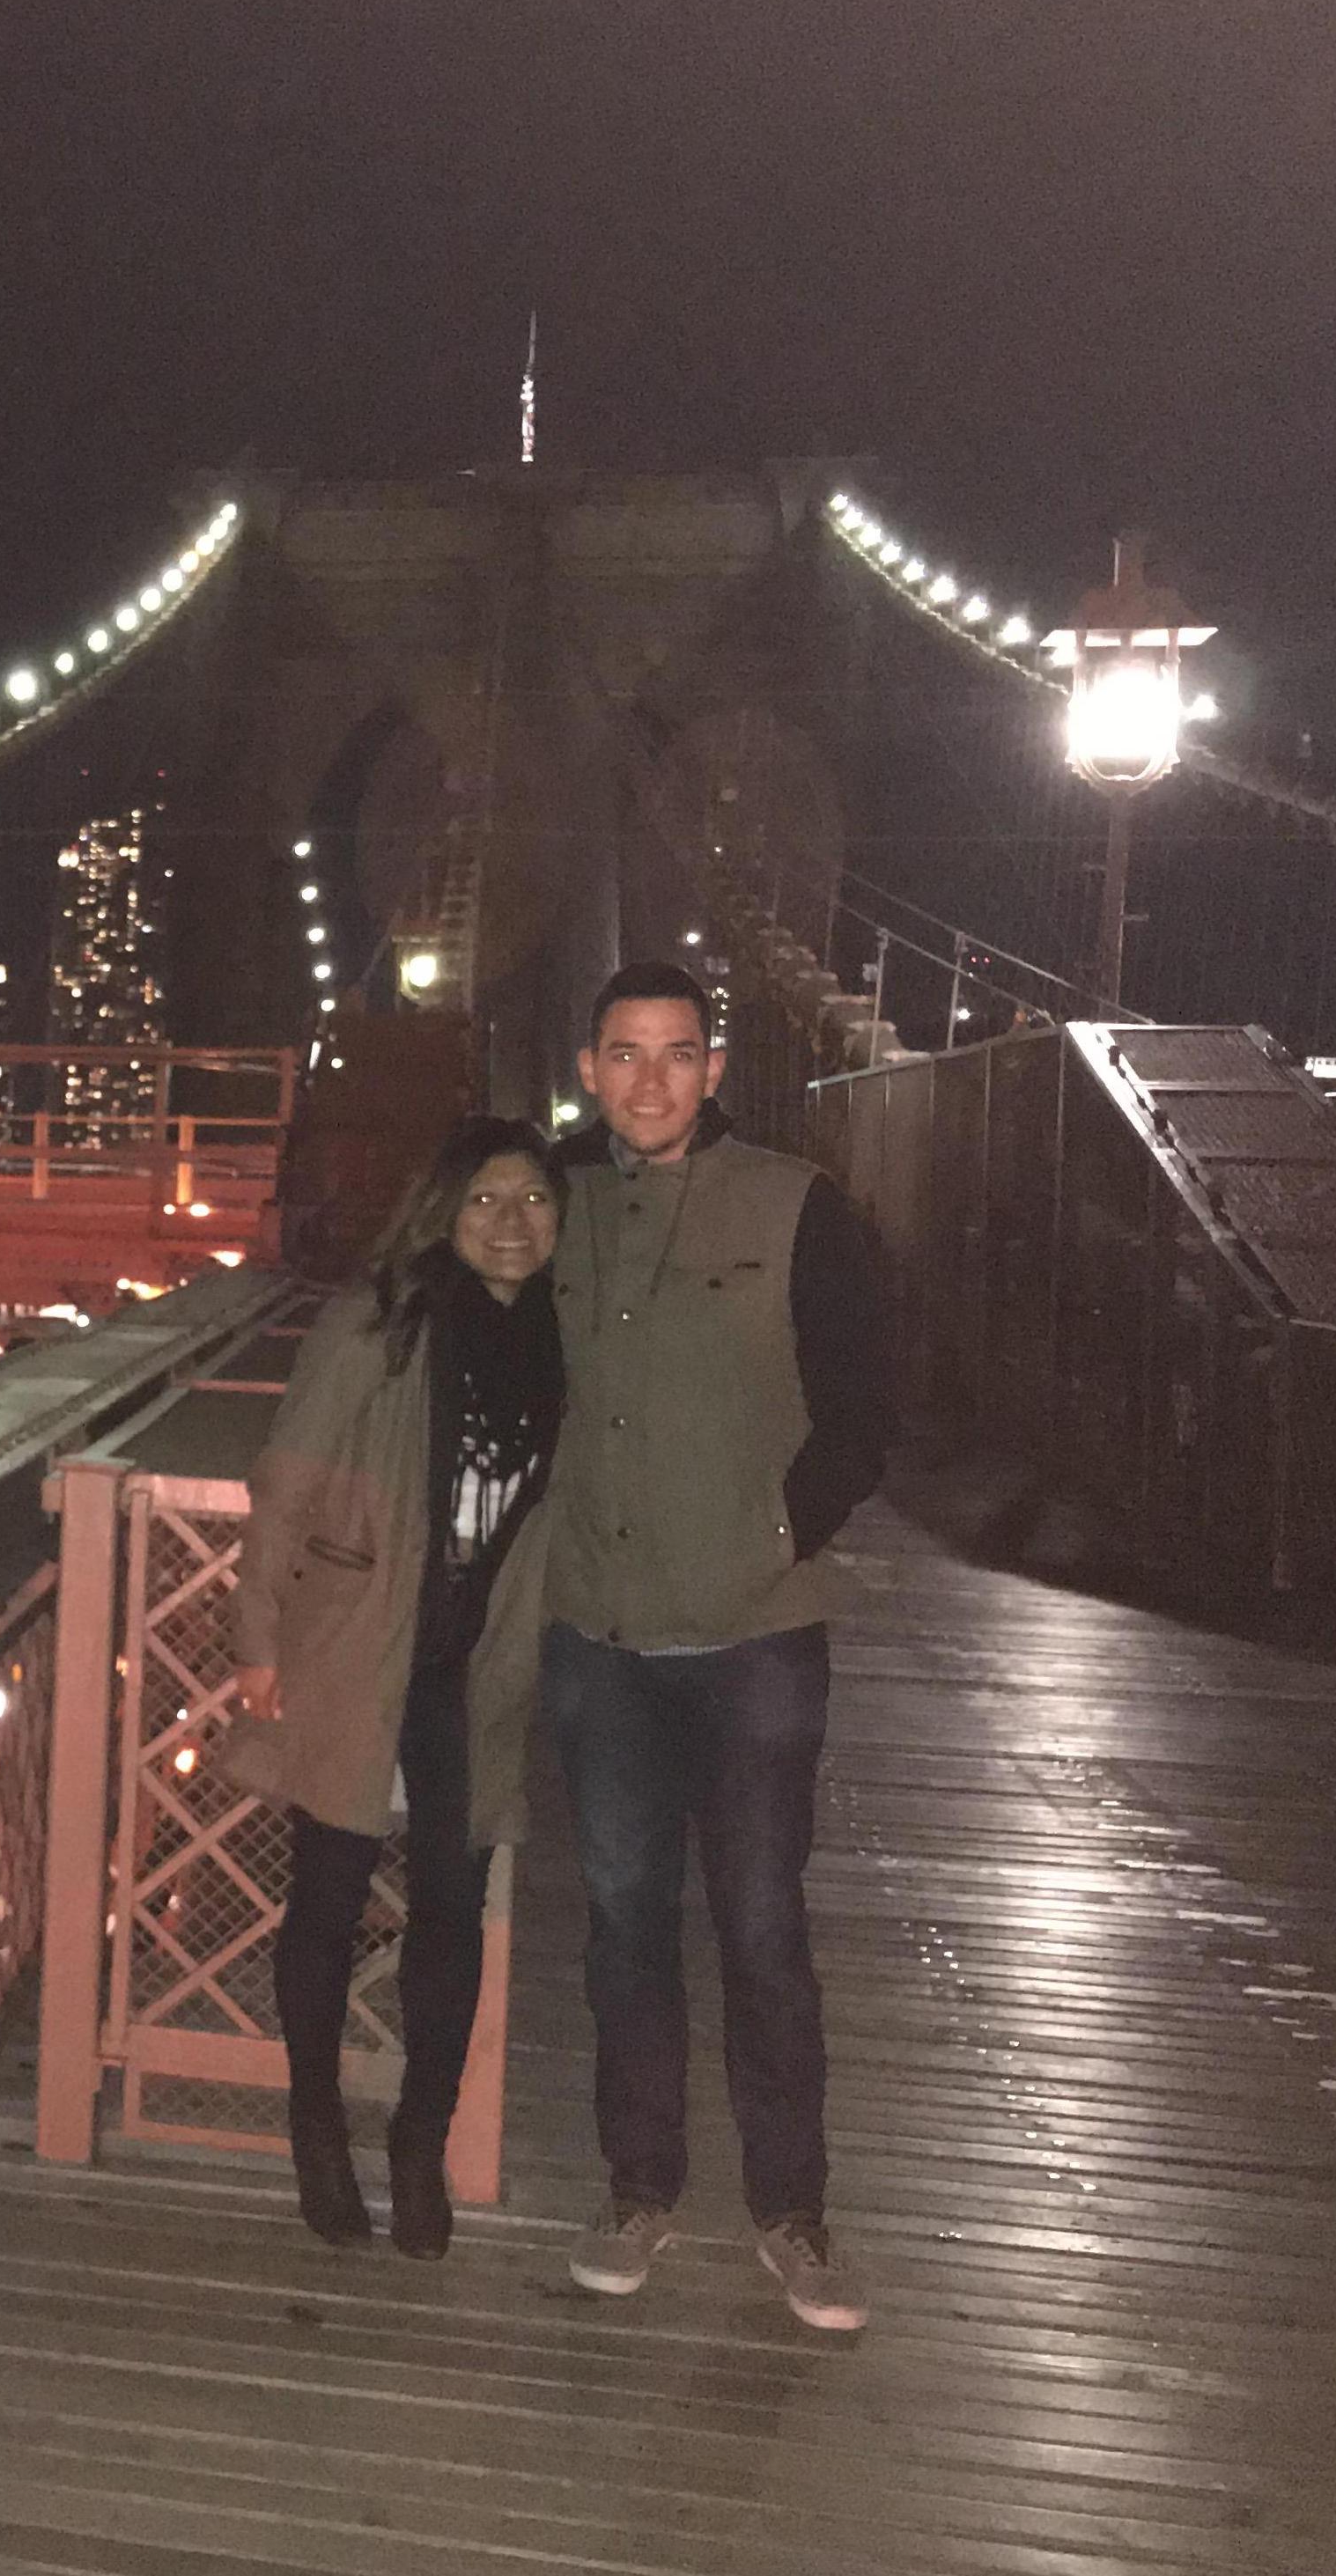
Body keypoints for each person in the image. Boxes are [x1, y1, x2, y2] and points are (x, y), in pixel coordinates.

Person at [546, 960, 893, 2329]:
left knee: (760, 1925)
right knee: (625, 1925)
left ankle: (793, 2215)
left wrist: (777, 1529)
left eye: (675, 1053)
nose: (648, 1081)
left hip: (755, 1634)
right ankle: (639, 2190)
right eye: (622, 1054)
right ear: (587, 1067)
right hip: (600, 1635)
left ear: (711, 1063)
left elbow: (866, 1403)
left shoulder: (798, 1206)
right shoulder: (546, 1209)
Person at [234, 1116, 565, 2256]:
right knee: (325, 1897)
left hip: (478, 1664)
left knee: (450, 1910)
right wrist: (255, 1641)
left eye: (531, 1200)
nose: (510, 1221)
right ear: (440, 1210)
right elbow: (283, 1481)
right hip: (357, 1647)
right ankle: (316, 2124)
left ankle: (418, 2136)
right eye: (483, 1200)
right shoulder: (377, 1322)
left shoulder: (565, 1342)